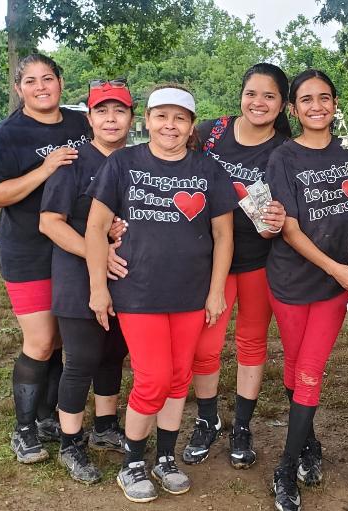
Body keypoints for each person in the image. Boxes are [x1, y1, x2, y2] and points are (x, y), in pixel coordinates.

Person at [85, 84, 237, 503]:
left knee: (179, 378)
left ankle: (165, 458)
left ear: (191, 126)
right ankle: (132, 462)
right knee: (153, 379)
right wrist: (98, 287)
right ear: (147, 120)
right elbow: (96, 227)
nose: (170, 125)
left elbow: (223, 236)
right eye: (162, 116)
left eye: (180, 118)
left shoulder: (208, 169)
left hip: (190, 293)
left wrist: (216, 291)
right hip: (139, 291)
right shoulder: (122, 163)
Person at [0, 53, 91, 465]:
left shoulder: (81, 123)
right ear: (18, 88)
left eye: (48, 78)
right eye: (31, 81)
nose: (41, 87)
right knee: (40, 341)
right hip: (28, 250)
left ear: (61, 81)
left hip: (72, 246)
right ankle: (24, 429)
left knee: (61, 339)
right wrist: (45, 169)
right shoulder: (7, 135)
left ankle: (48, 417)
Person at [265, 69, 348, 511]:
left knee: (309, 370)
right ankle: (309, 443)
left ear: (335, 103)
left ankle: (285, 468)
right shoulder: (283, 157)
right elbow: (288, 228)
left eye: (324, 97)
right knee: (294, 370)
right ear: (293, 109)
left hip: (333, 288)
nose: (316, 106)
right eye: (306, 99)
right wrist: (336, 268)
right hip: (291, 280)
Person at [182, 63, 290, 469]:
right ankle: (207, 419)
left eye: (269, 96)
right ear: (241, 95)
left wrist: (276, 221)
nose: (258, 102)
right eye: (251, 93)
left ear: (283, 105)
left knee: (251, 341)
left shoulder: (284, 150)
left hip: (260, 259)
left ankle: (242, 426)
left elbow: (284, 210)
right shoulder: (211, 132)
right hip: (211, 259)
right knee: (205, 344)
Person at [39, 79, 135, 484]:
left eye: (119, 111)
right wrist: (96, 251)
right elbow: (50, 223)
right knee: (81, 360)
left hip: (124, 277)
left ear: (132, 117)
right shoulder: (73, 163)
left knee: (113, 353)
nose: (111, 119)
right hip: (77, 276)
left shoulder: (137, 162)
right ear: (90, 119)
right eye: (102, 111)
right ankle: (70, 443)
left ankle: (106, 427)